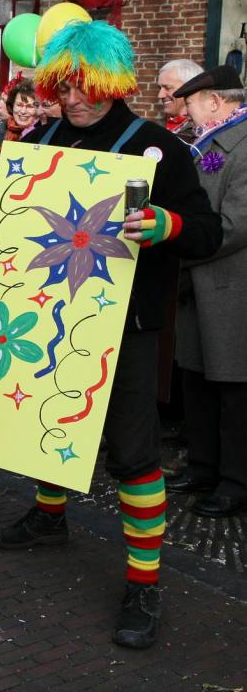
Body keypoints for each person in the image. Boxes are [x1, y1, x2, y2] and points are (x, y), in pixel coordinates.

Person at [0, 21, 221, 649]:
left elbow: (207, 232)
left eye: (86, 87)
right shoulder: (43, 140)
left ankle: (144, 584)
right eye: (64, 88)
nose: (74, 100)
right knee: (43, 419)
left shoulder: (159, 147)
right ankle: (49, 517)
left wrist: (168, 225)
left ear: (112, 84)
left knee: (132, 452)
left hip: (128, 322)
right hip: (44, 310)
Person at [165, 65, 247, 518]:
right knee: (196, 382)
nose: (187, 113)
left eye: (192, 104)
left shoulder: (243, 145)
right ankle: (202, 466)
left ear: (215, 101)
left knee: (233, 390)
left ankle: (234, 481)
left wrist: (181, 249)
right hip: (198, 286)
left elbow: (236, 225)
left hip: (230, 287)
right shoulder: (208, 144)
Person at [0, 77, 39, 162]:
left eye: (29, 106)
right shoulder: (3, 129)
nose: (23, 111)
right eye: (19, 105)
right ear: (12, 105)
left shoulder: (42, 133)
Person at [156, 59, 204, 143]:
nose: (160, 95)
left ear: (189, 88)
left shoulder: (201, 130)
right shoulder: (157, 127)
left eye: (168, 88)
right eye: (160, 88)